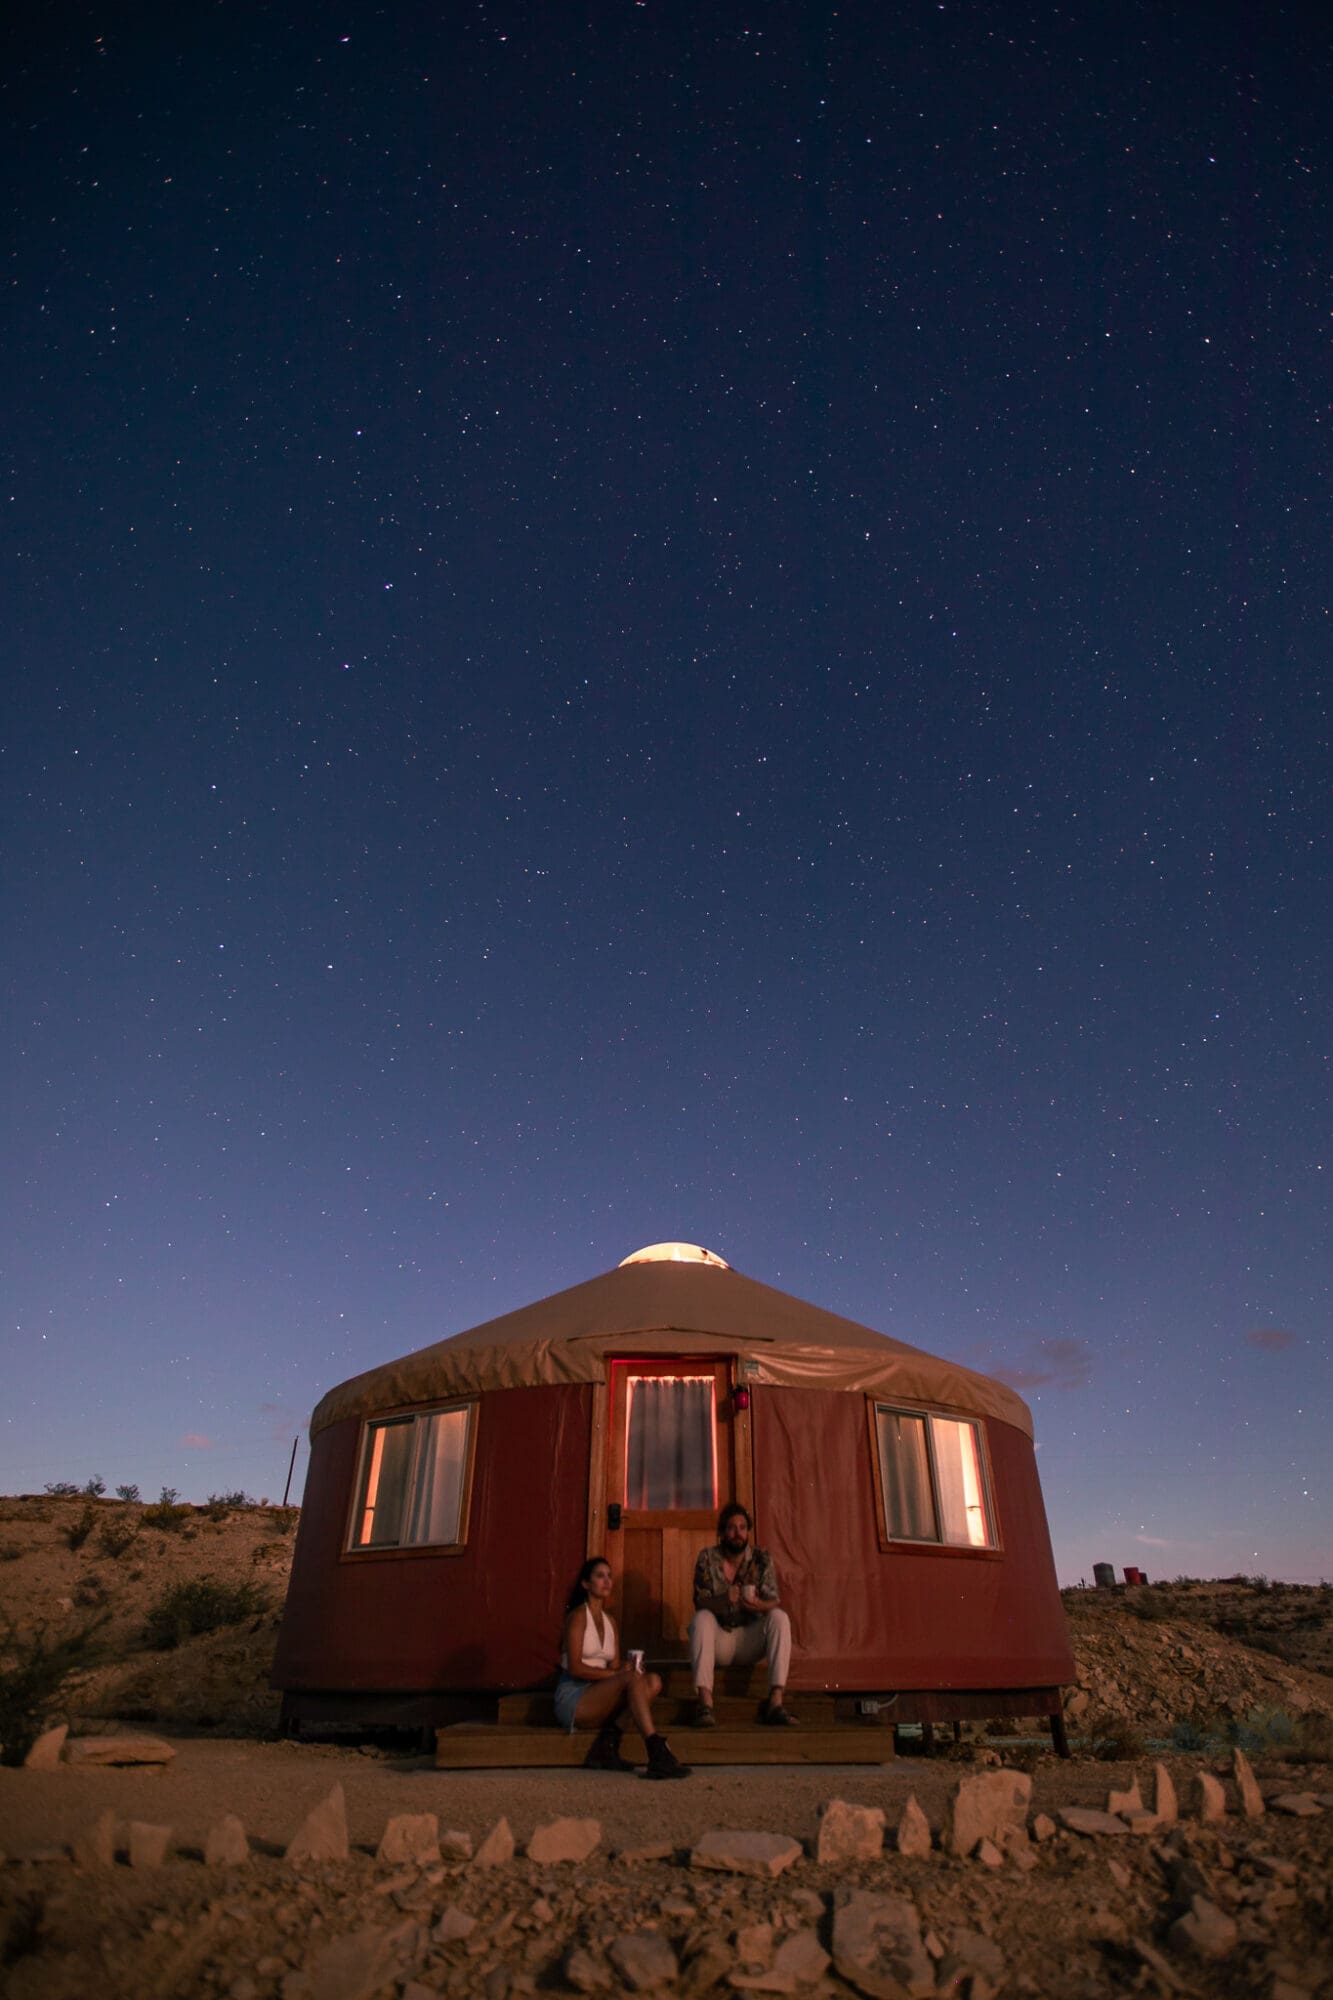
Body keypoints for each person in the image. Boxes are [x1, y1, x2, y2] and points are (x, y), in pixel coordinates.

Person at [556, 1556, 690, 1778]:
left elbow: (616, 1668)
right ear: (585, 1584)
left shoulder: (611, 1622)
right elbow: (575, 1669)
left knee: (653, 1681)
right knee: (630, 1679)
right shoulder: (578, 1617)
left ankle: (607, 1744)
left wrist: (628, 1670)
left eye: (609, 1576)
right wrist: (618, 1674)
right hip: (575, 1694)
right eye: (600, 1576)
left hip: (601, 1693)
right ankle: (655, 1749)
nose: (607, 1581)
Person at [688, 1503, 795, 1726]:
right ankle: (705, 1704)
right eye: (731, 1528)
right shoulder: (708, 1557)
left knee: (779, 1617)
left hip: (749, 1638)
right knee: (701, 1620)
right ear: (722, 1532)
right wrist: (725, 1599)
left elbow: (774, 1598)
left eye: (743, 1527)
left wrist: (759, 1605)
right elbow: (700, 1602)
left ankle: (775, 1702)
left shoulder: (760, 1557)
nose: (738, 1533)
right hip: (720, 1639)